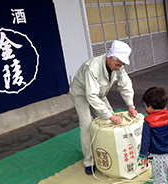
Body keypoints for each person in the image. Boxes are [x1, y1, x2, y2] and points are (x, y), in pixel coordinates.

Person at [70, 40, 138, 175]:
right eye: (117, 64)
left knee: (109, 122)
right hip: (81, 93)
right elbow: (91, 96)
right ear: (109, 57)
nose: (119, 67)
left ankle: (107, 149)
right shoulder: (92, 67)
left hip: (99, 93)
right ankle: (89, 161)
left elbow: (125, 85)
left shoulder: (118, 66)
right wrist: (111, 116)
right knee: (87, 126)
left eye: (122, 65)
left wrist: (130, 105)